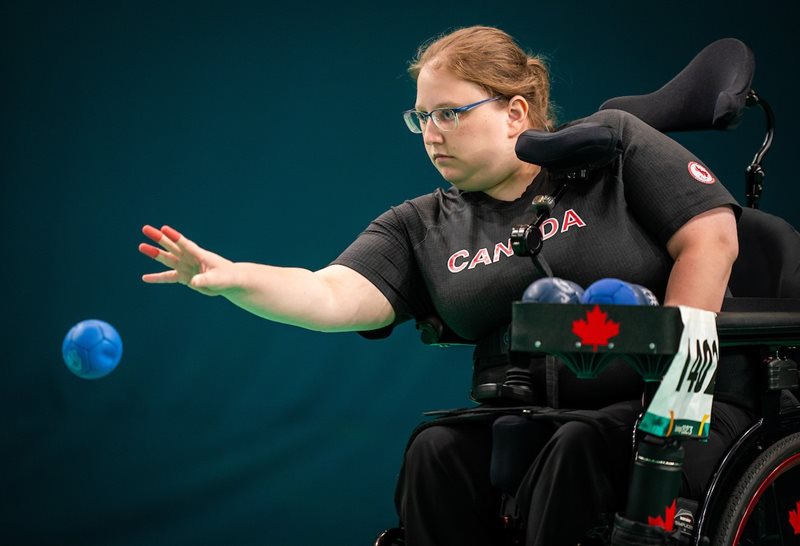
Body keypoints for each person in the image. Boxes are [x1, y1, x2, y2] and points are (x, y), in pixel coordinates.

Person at [139, 26, 755, 546]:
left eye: (449, 113)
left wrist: (680, 378)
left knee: (577, 444)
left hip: (680, 406)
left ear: (515, 112)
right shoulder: (421, 225)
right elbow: (328, 294)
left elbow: (711, 236)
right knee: (436, 448)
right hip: (542, 410)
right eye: (422, 116)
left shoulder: (612, 151)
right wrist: (231, 279)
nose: (432, 132)